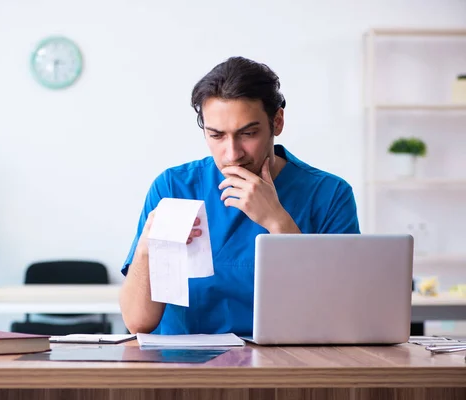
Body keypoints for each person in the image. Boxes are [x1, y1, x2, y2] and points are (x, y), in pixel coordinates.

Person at [119, 56, 360, 336]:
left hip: (286, 365)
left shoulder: (329, 195)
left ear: (277, 122)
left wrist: (277, 221)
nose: (232, 154)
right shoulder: (174, 188)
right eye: (217, 136)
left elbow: (339, 314)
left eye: (248, 133)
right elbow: (137, 322)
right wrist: (148, 248)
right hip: (184, 366)